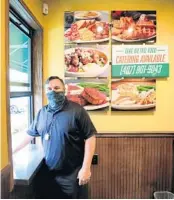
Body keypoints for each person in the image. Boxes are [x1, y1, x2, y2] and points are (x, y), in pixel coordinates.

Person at [14, 76, 97, 199]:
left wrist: (86, 168)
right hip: (49, 174)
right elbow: (30, 134)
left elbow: (90, 137)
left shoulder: (77, 111)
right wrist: (12, 151)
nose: (53, 91)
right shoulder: (42, 113)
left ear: (64, 89)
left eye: (57, 88)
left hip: (72, 175)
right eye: (49, 88)